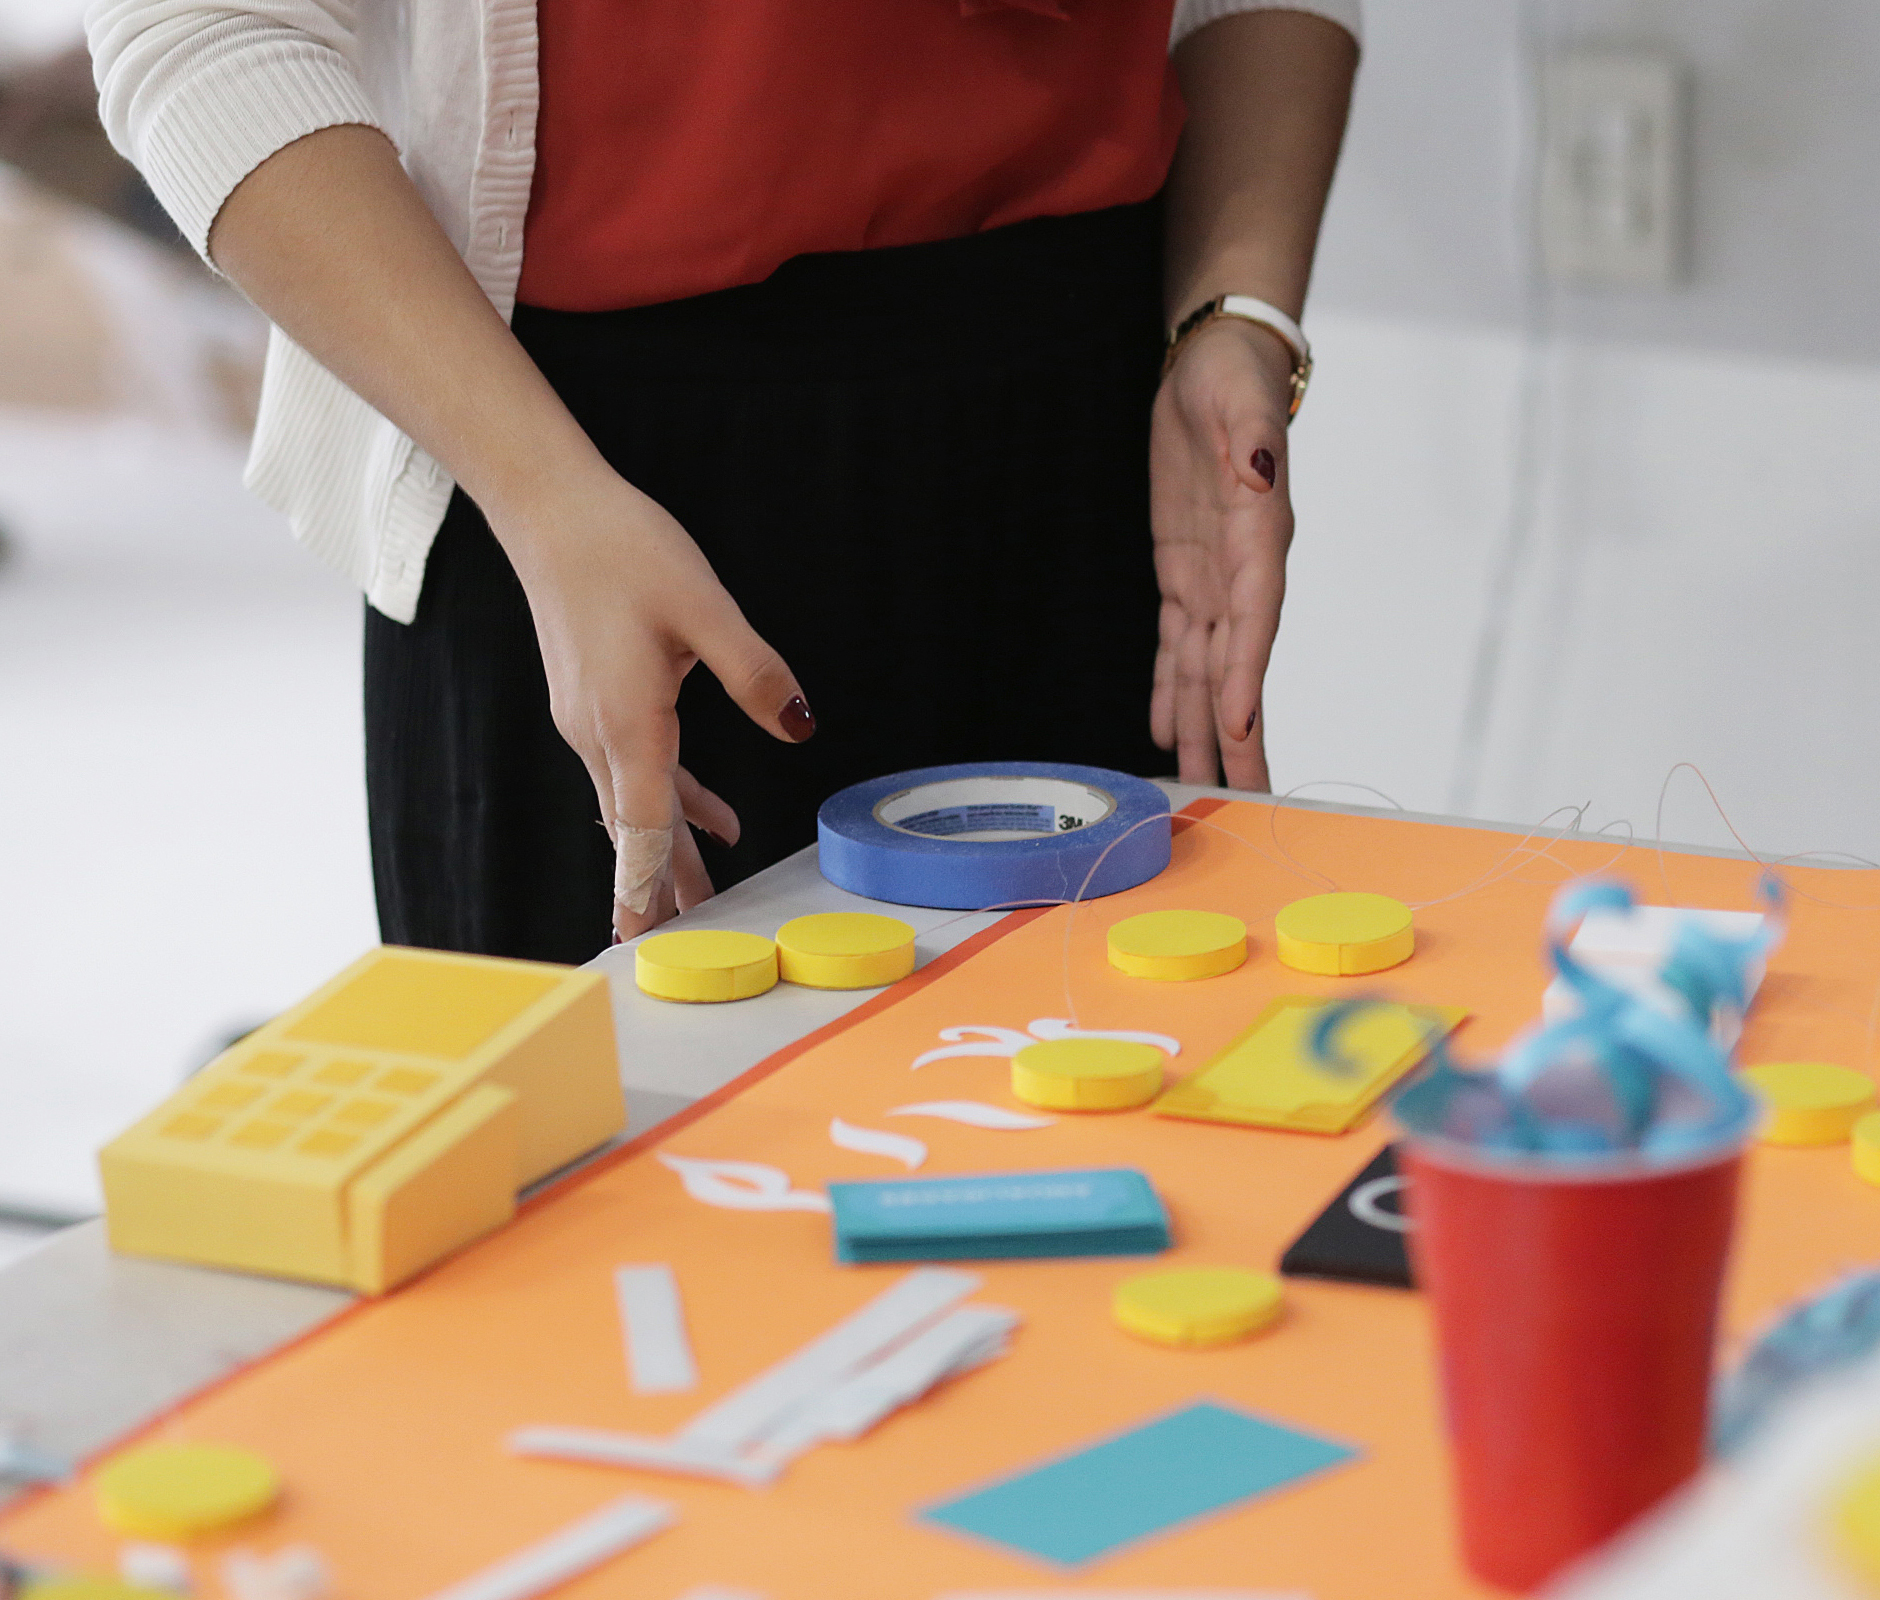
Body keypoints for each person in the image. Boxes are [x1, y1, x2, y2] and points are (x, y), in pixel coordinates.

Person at [88, 0, 1359, 963]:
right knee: (613, 1240)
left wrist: (1236, 314)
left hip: (1083, 454)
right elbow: (195, 29)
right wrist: (542, 494)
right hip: (589, 500)